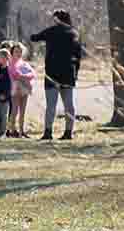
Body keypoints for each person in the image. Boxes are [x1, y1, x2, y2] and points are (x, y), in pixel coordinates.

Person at [29, 9, 85, 141]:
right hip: (68, 73)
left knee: (51, 105)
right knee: (69, 104)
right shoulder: (74, 33)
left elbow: (35, 37)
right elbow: (78, 57)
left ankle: (48, 132)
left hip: (52, 73)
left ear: (57, 19)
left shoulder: (52, 31)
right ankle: (68, 132)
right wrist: (75, 73)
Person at [8, 43, 35, 137]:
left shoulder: (24, 63)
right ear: (12, 52)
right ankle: (12, 130)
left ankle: (21, 131)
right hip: (15, 89)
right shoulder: (10, 63)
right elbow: (14, 75)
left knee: (23, 111)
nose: (18, 53)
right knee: (14, 110)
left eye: (20, 52)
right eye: (16, 51)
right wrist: (24, 78)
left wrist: (23, 77)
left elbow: (32, 74)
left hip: (25, 89)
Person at [0, 38, 13, 137]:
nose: (0, 59)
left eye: (2, 57)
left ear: (7, 58)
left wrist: (5, 95)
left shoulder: (9, 70)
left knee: (4, 115)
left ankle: (3, 132)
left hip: (5, 97)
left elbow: (10, 85)